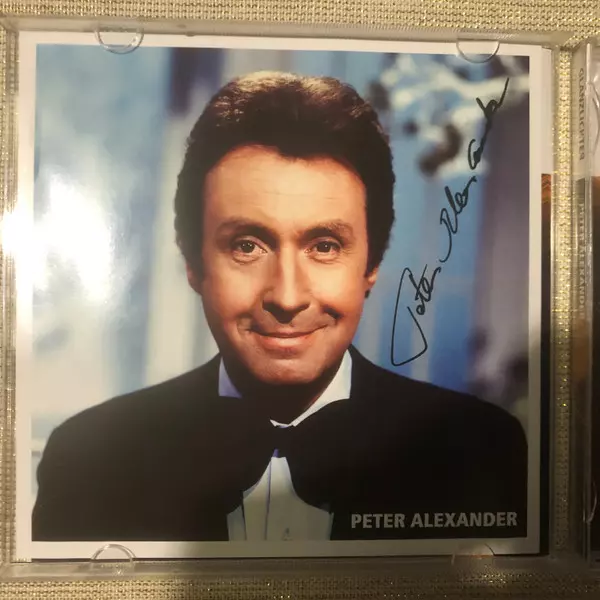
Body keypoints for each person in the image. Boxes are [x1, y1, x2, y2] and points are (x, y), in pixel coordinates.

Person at [32, 71, 527, 543]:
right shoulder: (88, 457)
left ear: (371, 264)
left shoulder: (482, 449)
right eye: (247, 246)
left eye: (325, 246)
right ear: (193, 263)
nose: (287, 298)